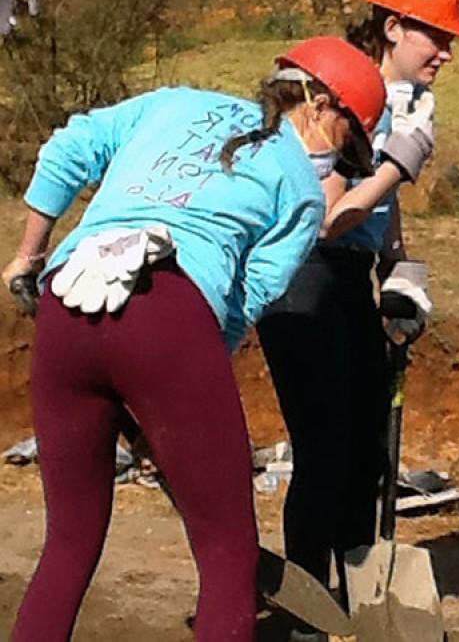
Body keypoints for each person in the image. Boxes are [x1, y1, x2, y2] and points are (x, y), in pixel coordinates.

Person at [1, 36, 385, 642]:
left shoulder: (172, 103)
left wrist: (27, 256)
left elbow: (68, 149)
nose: (338, 167)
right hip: (171, 313)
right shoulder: (303, 195)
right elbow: (244, 303)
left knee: (69, 543)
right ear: (321, 106)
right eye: (347, 147)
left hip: (65, 299)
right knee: (228, 553)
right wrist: (179, 401)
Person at [255, 0, 459, 636]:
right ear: (393, 27)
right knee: (323, 447)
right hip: (301, 274)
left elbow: (378, 214)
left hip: (350, 275)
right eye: (436, 36)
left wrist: (400, 263)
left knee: (367, 451)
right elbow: (326, 212)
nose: (446, 52)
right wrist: (396, 163)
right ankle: (304, 609)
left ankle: (352, 601)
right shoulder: (334, 89)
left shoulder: (410, 103)